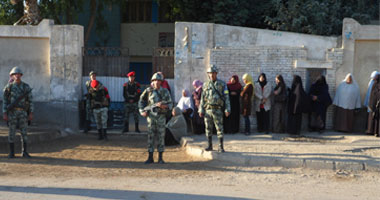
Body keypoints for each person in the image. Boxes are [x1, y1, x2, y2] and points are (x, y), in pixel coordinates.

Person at [139, 73, 173, 164]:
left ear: (161, 82)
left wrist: (164, 106)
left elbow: (170, 104)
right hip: (151, 117)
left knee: (161, 137)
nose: (156, 82)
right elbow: (141, 101)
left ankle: (160, 158)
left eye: (158, 81)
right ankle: (150, 157)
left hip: (161, 117)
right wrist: (142, 111)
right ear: (152, 81)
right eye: (155, 81)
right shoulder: (148, 91)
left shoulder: (165, 91)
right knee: (151, 137)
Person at [2, 66, 34, 158]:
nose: (17, 76)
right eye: (15, 74)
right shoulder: (9, 87)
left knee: (24, 132)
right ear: (12, 76)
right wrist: (4, 113)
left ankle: (25, 152)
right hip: (12, 113)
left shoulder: (25, 87)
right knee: (11, 132)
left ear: (21, 75)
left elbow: (31, 100)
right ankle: (11, 153)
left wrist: (31, 112)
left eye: (18, 74)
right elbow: (5, 101)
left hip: (23, 112)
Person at [199, 65, 231, 153]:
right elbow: (203, 98)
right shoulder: (205, 85)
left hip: (218, 109)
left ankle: (221, 146)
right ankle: (209, 145)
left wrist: (227, 109)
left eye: (213, 73)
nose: (212, 75)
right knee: (208, 128)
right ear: (208, 74)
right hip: (208, 109)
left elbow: (226, 97)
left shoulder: (222, 84)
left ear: (216, 73)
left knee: (219, 128)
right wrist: (201, 109)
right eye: (210, 73)